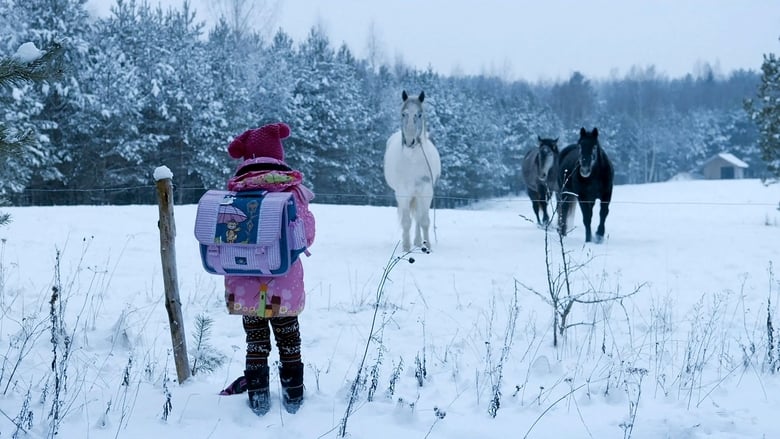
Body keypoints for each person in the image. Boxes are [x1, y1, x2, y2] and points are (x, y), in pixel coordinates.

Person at [218, 122, 316, 416]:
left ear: (247, 158)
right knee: (289, 339)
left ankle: (258, 401)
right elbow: (307, 235)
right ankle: (294, 397)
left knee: (256, 342)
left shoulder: (236, 192)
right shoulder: (291, 191)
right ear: (278, 155)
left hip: (244, 285)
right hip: (283, 284)